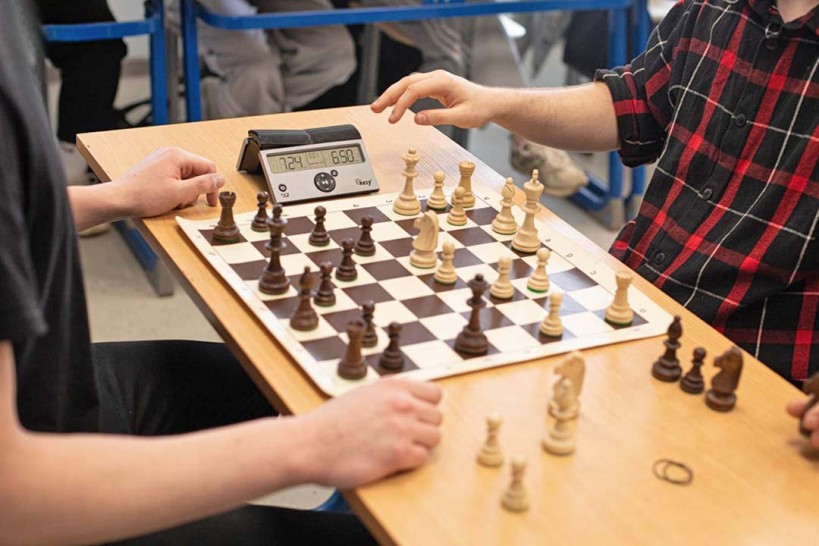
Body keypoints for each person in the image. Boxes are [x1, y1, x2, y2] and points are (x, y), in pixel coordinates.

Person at [0, 7, 442, 545]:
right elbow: (14, 500)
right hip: (38, 494)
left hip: (42, 386)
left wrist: (114, 197)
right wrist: (311, 446)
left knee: (303, 376)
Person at [371, 0, 818, 428]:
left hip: (751, 368)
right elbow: (632, 104)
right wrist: (495, 102)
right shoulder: (714, 7)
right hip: (634, 303)